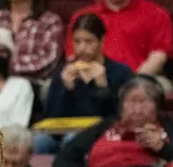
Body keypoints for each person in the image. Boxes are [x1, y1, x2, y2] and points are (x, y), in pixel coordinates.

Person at [40, 13, 133, 150]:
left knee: (72, 140)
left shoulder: (121, 72)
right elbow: (50, 119)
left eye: (89, 42)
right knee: (37, 141)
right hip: (61, 133)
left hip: (101, 134)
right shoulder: (64, 72)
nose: (82, 48)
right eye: (77, 42)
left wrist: (103, 88)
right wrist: (66, 88)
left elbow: (119, 118)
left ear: (102, 41)